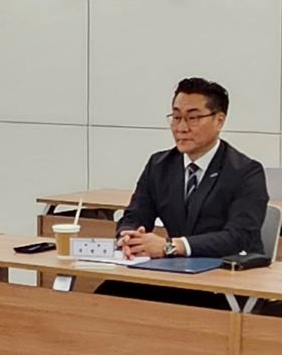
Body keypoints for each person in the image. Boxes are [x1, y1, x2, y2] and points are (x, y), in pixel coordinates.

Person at [115, 78, 270, 262]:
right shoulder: (159, 165)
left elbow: (239, 237)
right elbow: (135, 215)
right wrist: (129, 237)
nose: (181, 128)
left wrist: (171, 246)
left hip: (227, 268)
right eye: (176, 117)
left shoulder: (246, 172)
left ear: (219, 121)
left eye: (193, 118)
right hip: (176, 267)